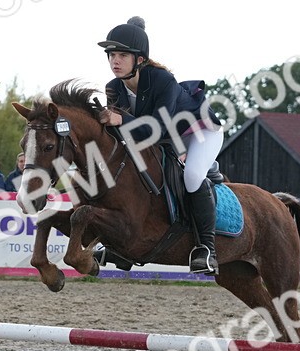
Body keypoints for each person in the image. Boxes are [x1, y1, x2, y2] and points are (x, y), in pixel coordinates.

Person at [96, 16, 224, 274]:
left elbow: (156, 129)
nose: (115, 61)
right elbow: (125, 136)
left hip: (200, 131)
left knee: (192, 176)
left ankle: (206, 249)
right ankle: (124, 246)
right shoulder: (113, 88)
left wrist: (121, 119)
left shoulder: (162, 80)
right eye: (111, 55)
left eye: (122, 55)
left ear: (139, 59)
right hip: (166, 136)